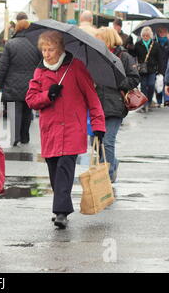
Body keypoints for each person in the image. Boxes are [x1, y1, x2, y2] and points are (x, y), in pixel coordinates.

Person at [25, 30, 105, 229]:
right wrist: (47, 95)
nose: (46, 54)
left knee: (64, 168)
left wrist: (98, 126)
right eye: (43, 49)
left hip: (72, 129)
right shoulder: (40, 71)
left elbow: (92, 98)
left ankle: (61, 212)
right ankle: (61, 205)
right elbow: (31, 100)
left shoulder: (76, 68)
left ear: (60, 49)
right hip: (50, 130)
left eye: (50, 49)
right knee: (54, 170)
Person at [95, 27, 140, 183]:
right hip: (97, 105)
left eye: (99, 38)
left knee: (108, 141)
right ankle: (112, 163)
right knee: (97, 143)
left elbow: (134, 79)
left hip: (115, 105)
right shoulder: (96, 56)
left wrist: (115, 82)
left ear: (107, 39)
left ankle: (106, 177)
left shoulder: (124, 56)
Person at [0, 19, 42, 146]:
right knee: (27, 111)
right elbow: (41, 65)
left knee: (14, 111)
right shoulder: (36, 44)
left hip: (12, 83)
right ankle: (25, 136)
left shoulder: (11, 44)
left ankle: (15, 137)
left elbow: (3, 66)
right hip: (31, 83)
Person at [134, 26, 164, 112]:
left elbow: (160, 59)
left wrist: (161, 71)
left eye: (147, 35)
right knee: (143, 86)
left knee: (151, 85)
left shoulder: (155, 44)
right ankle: (144, 104)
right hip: (142, 70)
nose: (145, 37)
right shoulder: (138, 44)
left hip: (152, 69)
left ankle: (149, 101)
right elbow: (133, 54)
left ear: (150, 35)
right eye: (143, 35)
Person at [155, 27, 169, 107]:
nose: (162, 33)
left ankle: (167, 100)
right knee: (158, 84)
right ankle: (159, 101)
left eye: (164, 31)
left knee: (166, 82)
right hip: (158, 66)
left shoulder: (168, 42)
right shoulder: (155, 42)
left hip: (167, 65)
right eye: (160, 32)